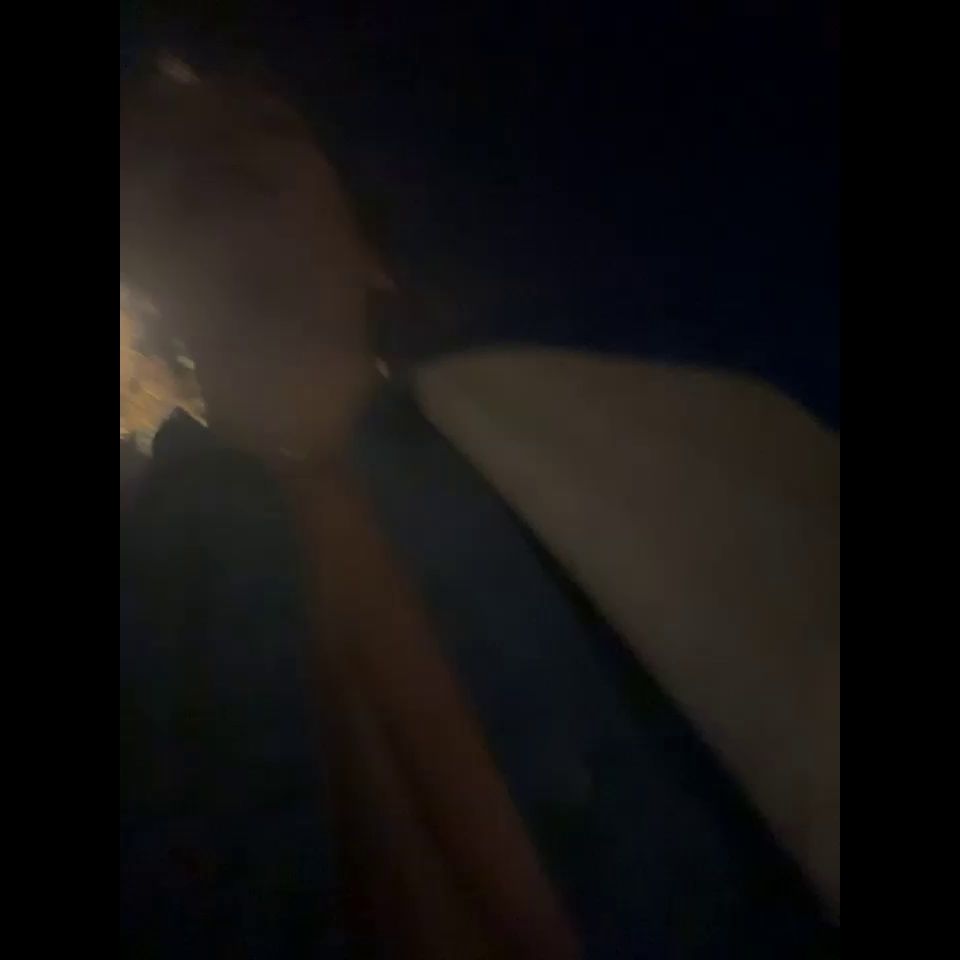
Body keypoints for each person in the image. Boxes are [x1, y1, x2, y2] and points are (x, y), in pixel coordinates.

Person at [120, 54, 838, 959]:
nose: (215, 147)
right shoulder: (148, 577)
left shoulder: (652, 447)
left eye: (263, 125)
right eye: (168, 152)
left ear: (375, 255)